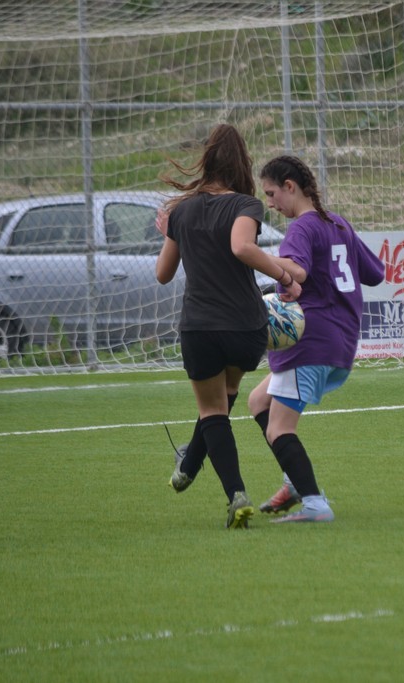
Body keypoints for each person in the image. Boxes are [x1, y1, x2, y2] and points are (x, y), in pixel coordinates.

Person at [156, 124, 301, 530]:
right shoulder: (245, 205)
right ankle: (188, 464)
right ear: (242, 163)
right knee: (227, 394)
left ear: (205, 160)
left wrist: (170, 232)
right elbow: (241, 245)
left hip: (200, 327)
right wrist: (286, 279)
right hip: (244, 327)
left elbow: (163, 274)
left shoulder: (181, 211)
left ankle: (236, 494)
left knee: (212, 411)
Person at [245, 155, 385, 523]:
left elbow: (298, 271)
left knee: (279, 428)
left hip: (310, 342)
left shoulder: (302, 228)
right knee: (258, 401)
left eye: (271, 194)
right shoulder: (337, 223)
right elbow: (376, 273)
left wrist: (255, 256)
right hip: (341, 343)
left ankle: (314, 504)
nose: (270, 203)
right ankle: (294, 481)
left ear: (290, 186)